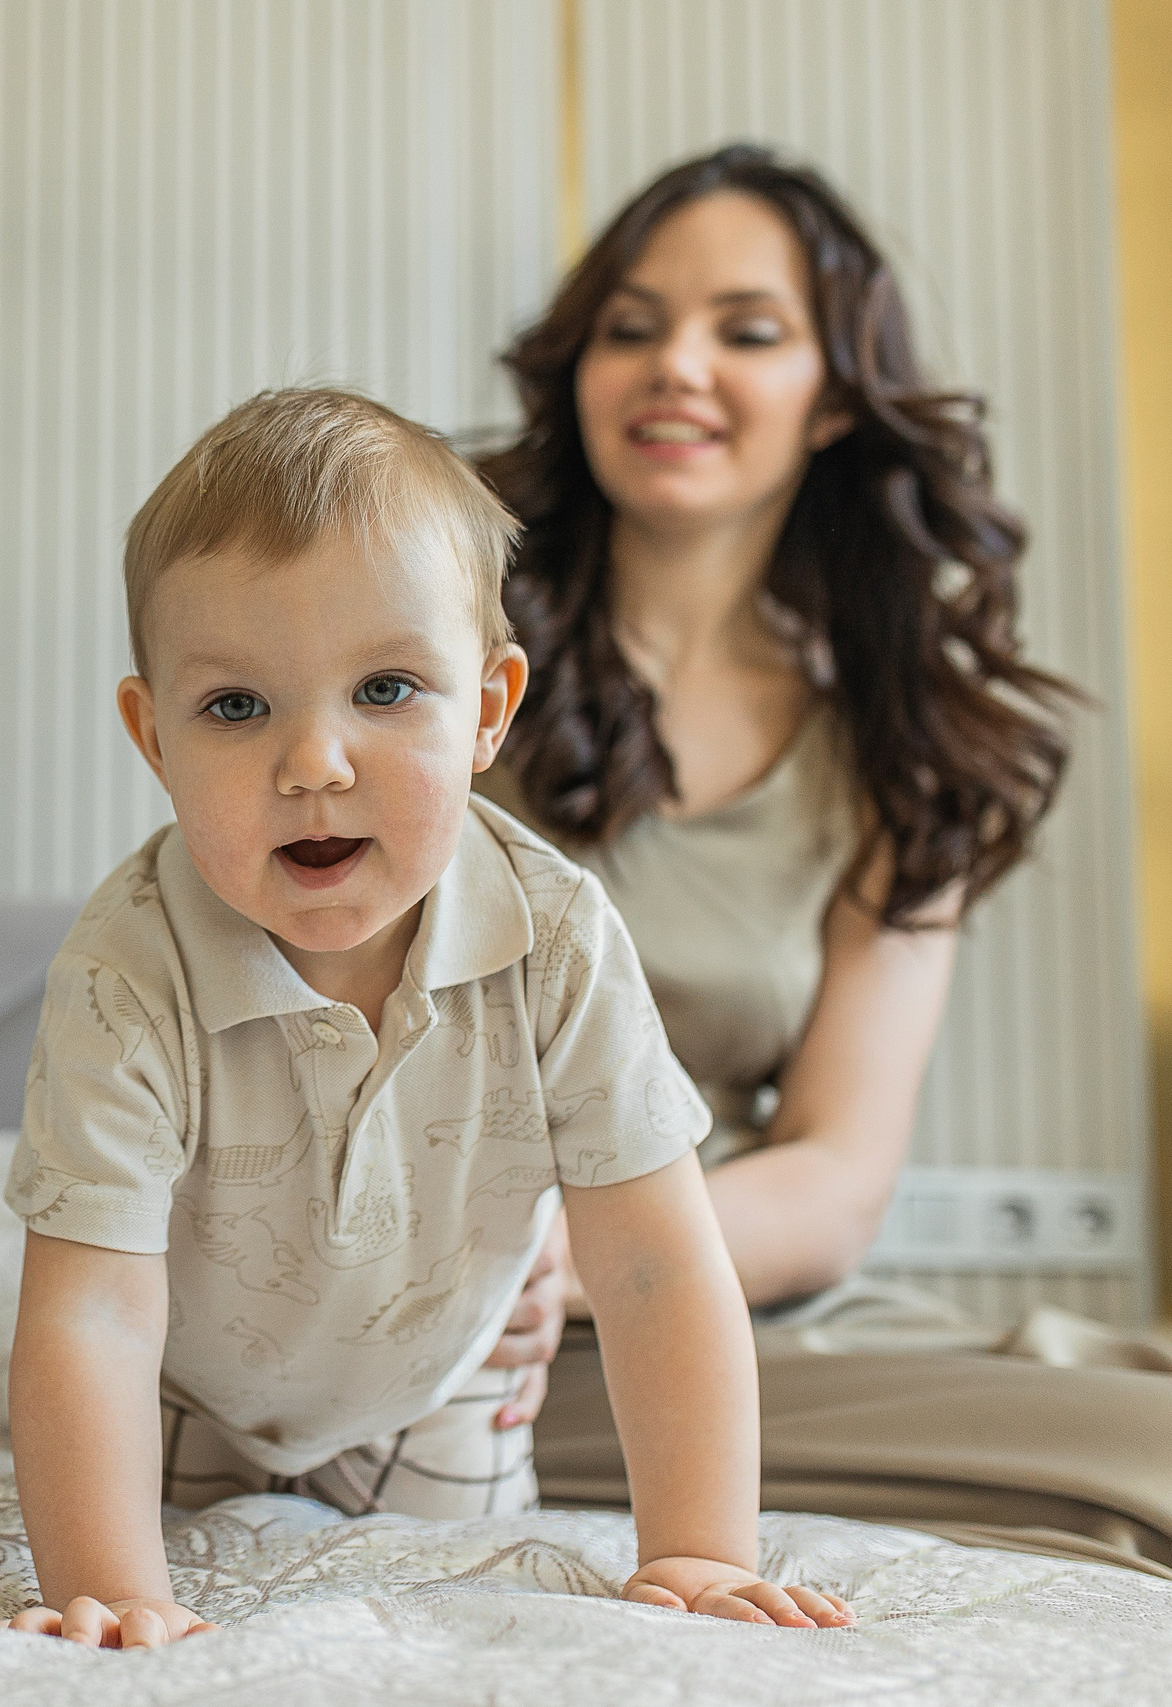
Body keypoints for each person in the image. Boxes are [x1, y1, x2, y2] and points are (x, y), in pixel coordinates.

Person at [0, 387, 854, 1650]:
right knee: (127, 1543)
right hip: (183, 1398)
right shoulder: (128, 969)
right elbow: (94, 1313)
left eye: (386, 689)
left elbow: (653, 1261)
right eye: (236, 707)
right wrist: (113, 1590)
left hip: (436, 1400)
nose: (315, 763)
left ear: (490, 711)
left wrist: (700, 1553)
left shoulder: (556, 937)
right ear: (153, 737)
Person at [471, 144, 1172, 1576]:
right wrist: (511, 1255)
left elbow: (839, 1172)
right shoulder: (441, 644)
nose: (676, 364)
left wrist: (580, 1247)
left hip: (704, 1286)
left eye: (747, 329)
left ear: (837, 398)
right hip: (470, 1313)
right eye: (631, 324)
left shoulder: (908, 744)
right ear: (578, 369)